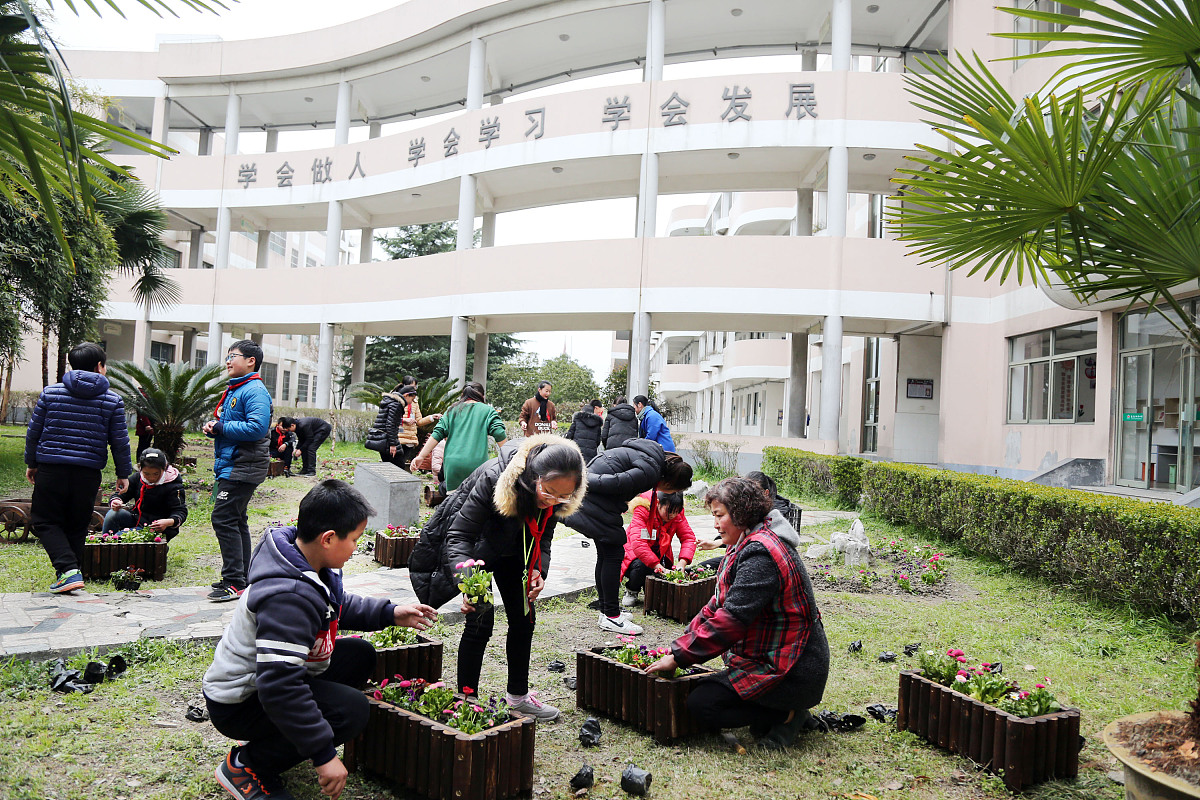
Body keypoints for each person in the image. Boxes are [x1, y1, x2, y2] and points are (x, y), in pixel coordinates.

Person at [203, 479, 438, 800]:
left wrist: (391, 612)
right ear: (328, 539)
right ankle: (248, 764)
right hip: (240, 702)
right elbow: (279, 688)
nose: (357, 548)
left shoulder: (306, 559)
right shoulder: (287, 597)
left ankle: (277, 738)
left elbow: (336, 604)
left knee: (359, 655)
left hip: (268, 682)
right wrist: (324, 754)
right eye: (354, 540)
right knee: (351, 712)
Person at [646, 476, 830, 750]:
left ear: (742, 514)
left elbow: (730, 621)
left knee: (702, 704)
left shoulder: (762, 555)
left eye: (719, 515)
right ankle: (776, 712)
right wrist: (678, 648)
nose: (715, 524)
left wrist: (680, 657)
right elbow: (715, 607)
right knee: (709, 700)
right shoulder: (746, 543)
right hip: (771, 659)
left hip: (795, 671)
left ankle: (789, 713)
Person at [440, 436, 586, 721]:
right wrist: (468, 583)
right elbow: (459, 536)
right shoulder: (495, 478)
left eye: (564, 496)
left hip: (517, 552)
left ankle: (518, 698)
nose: (553, 501)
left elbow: (544, 535)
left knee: (524, 618)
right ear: (533, 477)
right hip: (478, 551)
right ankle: (466, 701)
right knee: (480, 620)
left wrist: (538, 569)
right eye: (549, 492)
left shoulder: (557, 494)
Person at [24, 342, 132, 593]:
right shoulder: (112, 400)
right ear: (99, 366)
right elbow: (120, 441)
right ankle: (72, 573)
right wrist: (123, 473)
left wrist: (32, 463)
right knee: (76, 523)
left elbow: (33, 434)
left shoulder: (50, 393)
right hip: (88, 472)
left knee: (43, 520)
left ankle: (68, 570)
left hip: (51, 468)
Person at [562, 440, 693, 635]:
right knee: (613, 553)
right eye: (673, 491)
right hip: (593, 498)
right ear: (670, 483)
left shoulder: (652, 457)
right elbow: (617, 482)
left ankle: (607, 610)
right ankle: (612, 616)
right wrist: (584, 478)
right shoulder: (650, 472)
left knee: (607, 554)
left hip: (595, 498)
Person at [203, 340, 272, 603]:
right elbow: (234, 424)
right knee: (235, 518)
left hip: (243, 466)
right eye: (227, 356)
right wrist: (215, 427)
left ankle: (234, 581)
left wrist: (221, 428)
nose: (228, 361)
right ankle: (241, 577)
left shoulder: (253, 390)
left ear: (251, 361)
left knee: (223, 518)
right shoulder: (238, 388)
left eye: (233, 356)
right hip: (235, 463)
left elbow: (255, 427)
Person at [410, 382, 506, 491]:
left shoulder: (452, 410)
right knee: (474, 501)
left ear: (462, 395)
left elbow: (437, 433)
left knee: (454, 500)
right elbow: (499, 433)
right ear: (482, 396)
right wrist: (508, 457)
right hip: (477, 465)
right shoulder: (488, 410)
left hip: (452, 465)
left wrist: (421, 456)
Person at [620, 490, 696, 608]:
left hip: (658, 555)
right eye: (669, 511)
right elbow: (638, 545)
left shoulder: (677, 514)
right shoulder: (643, 509)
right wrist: (660, 568)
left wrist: (682, 562)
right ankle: (631, 590)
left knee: (658, 592)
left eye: (676, 512)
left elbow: (688, 538)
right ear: (658, 503)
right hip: (633, 555)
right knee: (641, 566)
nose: (672, 516)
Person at [103, 447, 188, 540]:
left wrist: (168, 522)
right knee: (113, 514)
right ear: (140, 469)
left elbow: (180, 511)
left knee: (119, 537)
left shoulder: (174, 485)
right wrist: (116, 501)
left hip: (155, 527)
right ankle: (104, 542)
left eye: (156, 474)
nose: (151, 478)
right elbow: (121, 494)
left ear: (164, 468)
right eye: (146, 474)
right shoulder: (138, 478)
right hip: (137, 519)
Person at [394, 384, 440, 471]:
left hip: (410, 439)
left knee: (401, 465)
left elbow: (419, 421)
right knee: (396, 466)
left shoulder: (414, 403)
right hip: (398, 438)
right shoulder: (395, 402)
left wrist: (431, 417)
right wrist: (404, 420)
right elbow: (390, 419)